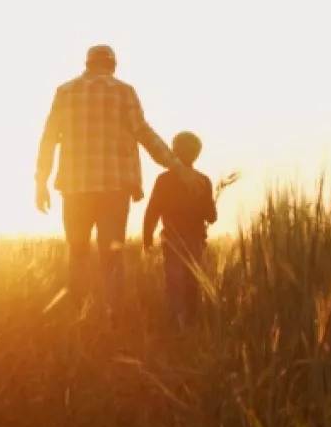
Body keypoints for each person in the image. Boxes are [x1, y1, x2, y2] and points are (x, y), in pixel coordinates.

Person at [35, 45, 203, 314]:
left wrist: (40, 181)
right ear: (113, 66)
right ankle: (112, 318)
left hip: (74, 187)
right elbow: (144, 133)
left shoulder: (65, 92)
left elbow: (48, 138)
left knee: (77, 251)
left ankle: (78, 314)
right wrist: (177, 166)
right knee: (111, 254)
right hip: (114, 188)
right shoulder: (123, 91)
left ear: (87, 64)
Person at [142, 131, 217, 327]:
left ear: (173, 151)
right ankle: (191, 320)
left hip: (172, 240)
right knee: (193, 281)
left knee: (175, 281)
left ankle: (179, 321)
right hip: (195, 240)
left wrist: (147, 238)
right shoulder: (204, 181)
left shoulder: (164, 180)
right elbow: (212, 216)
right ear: (197, 154)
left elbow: (152, 211)